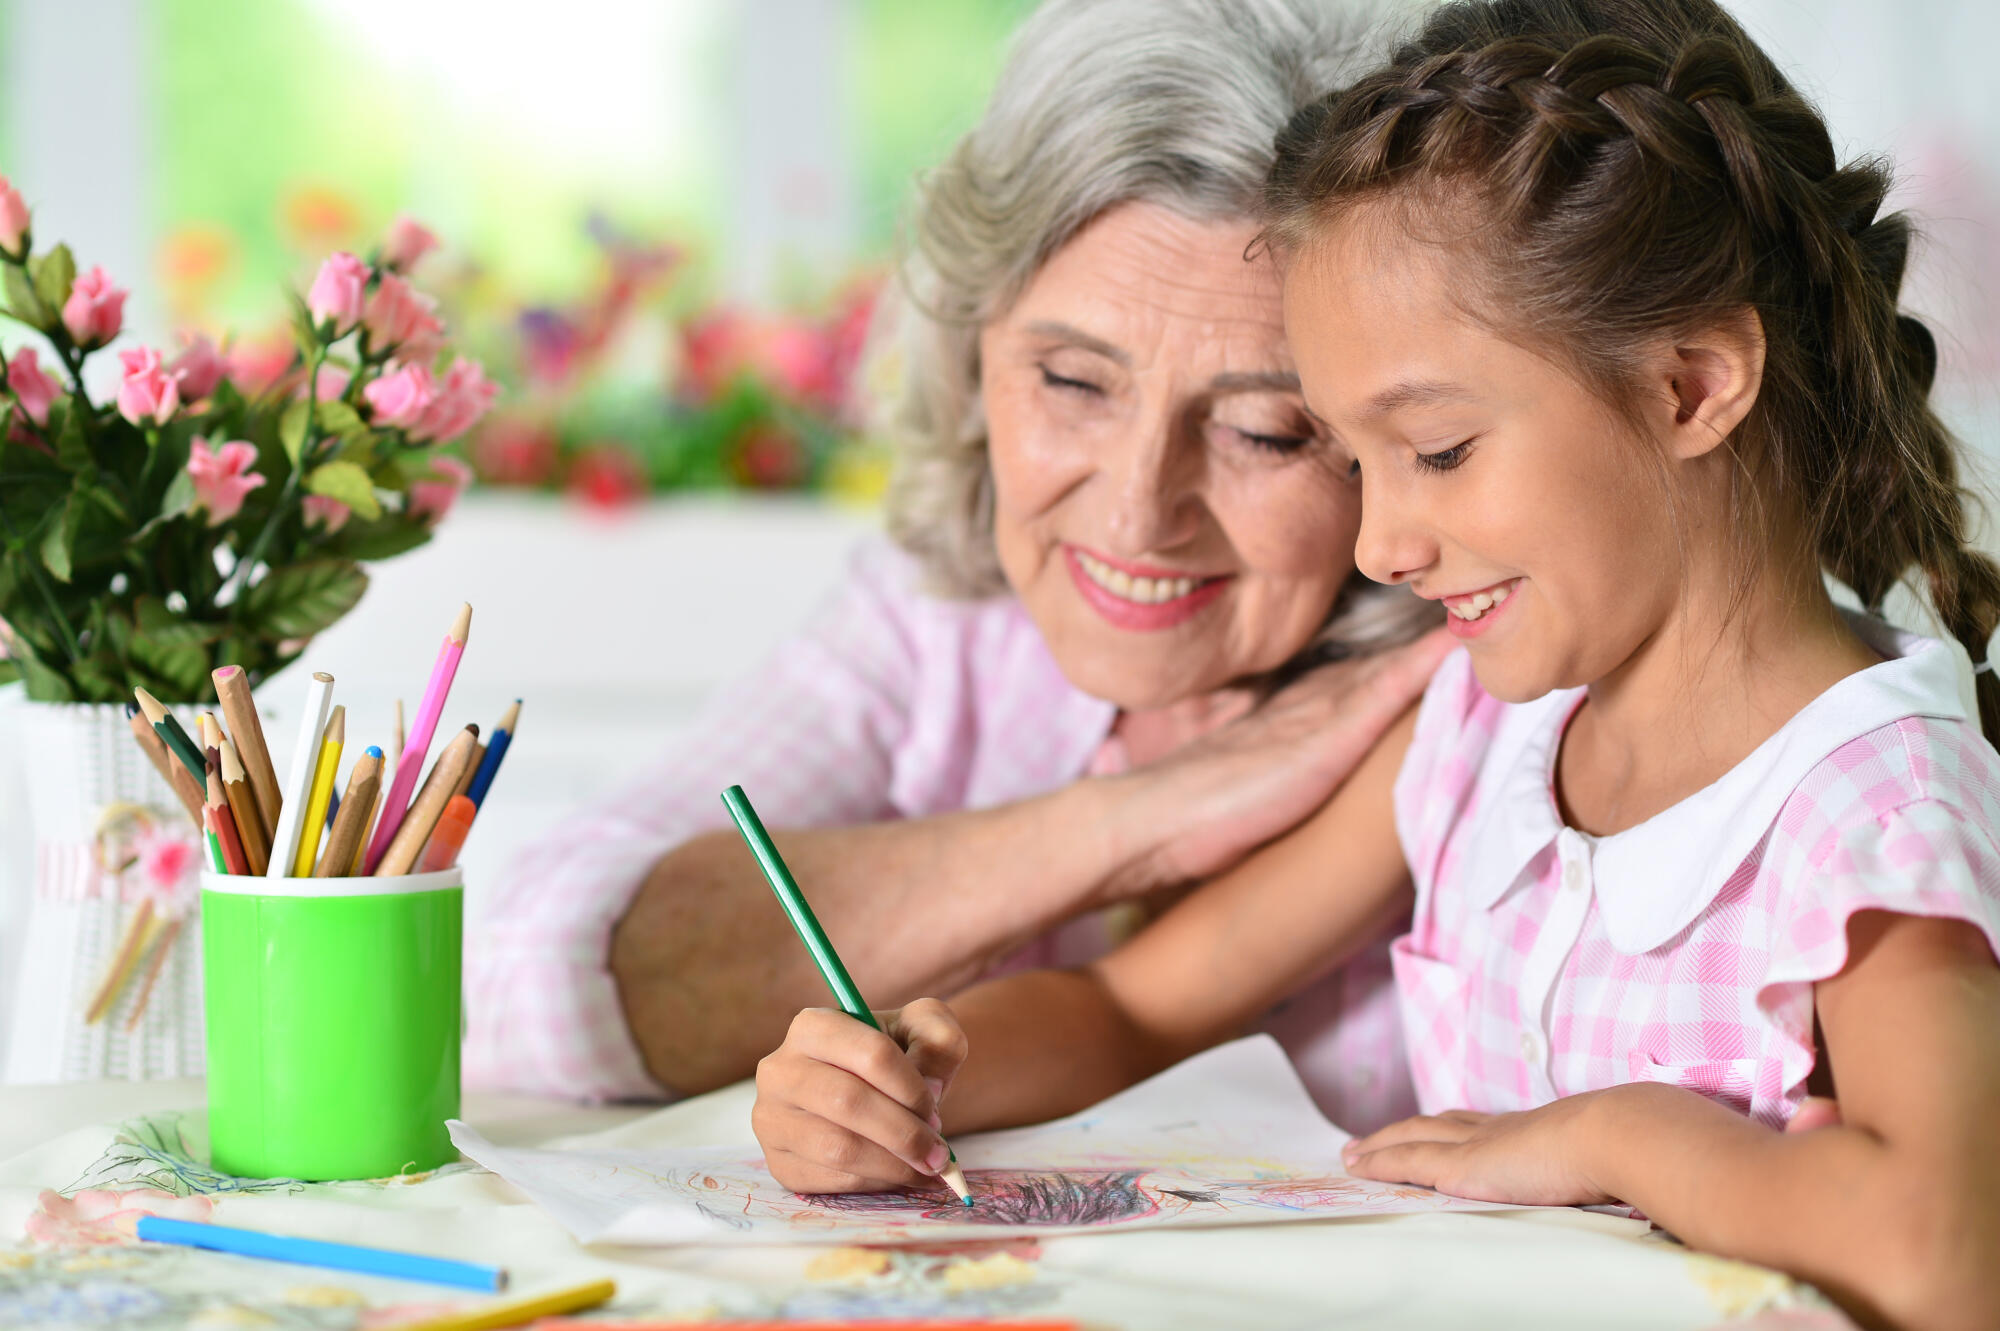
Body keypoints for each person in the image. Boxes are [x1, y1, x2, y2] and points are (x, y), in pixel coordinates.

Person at [749, 2, 2000, 1324]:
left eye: (1439, 450)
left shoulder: (1872, 809)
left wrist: (1620, 1136)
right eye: (1349, 459)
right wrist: (908, 1076)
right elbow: (1132, 1007)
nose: (1385, 542)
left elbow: (1949, 1255)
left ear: (1691, 383)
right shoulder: (1480, 731)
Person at [463, 0, 1448, 1132]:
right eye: (1072, 382)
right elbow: (523, 979)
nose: (1136, 510)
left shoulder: (1474, 689)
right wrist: (1127, 819)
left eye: (1266, 429)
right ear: (971, 341)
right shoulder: (937, 625)